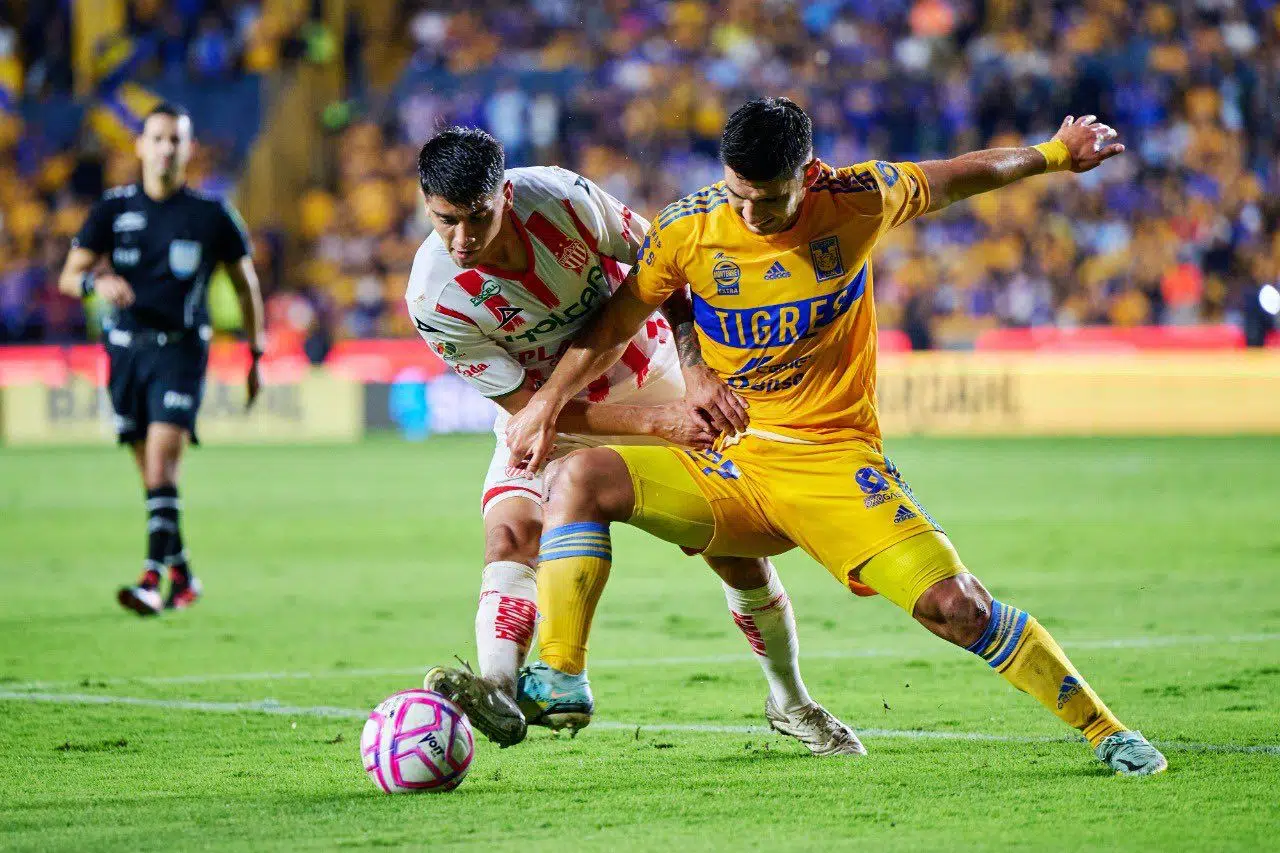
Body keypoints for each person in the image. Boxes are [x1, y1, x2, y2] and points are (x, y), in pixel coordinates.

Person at [505, 99, 1168, 776]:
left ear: (809, 174)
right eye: (738, 195)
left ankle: (1106, 729)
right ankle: (560, 673)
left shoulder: (859, 199)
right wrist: (575, 397)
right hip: (730, 460)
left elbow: (960, 175)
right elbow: (622, 319)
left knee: (958, 606)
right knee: (577, 478)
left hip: (833, 461)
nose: (751, 215)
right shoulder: (688, 227)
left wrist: (1054, 153)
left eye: (768, 200)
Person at [408, 127, 861, 756]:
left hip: (656, 377)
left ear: (505, 195)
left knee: (732, 551)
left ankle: (791, 700)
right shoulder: (435, 299)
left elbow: (668, 266)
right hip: (562, 414)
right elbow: (531, 415)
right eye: (444, 221)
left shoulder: (565, 201)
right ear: (426, 205)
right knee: (511, 533)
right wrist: (653, 425)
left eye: (476, 219)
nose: (461, 240)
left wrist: (694, 372)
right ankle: (500, 690)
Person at [58, 103, 265, 617]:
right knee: (151, 476)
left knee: (162, 460)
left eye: (176, 139)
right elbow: (69, 275)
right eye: (158, 138)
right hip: (125, 352)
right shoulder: (112, 209)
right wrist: (95, 280)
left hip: (181, 352)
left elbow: (246, 285)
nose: (167, 148)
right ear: (141, 146)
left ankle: (150, 580)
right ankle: (184, 575)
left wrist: (255, 352)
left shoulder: (212, 214)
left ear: (189, 149)